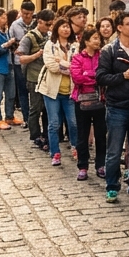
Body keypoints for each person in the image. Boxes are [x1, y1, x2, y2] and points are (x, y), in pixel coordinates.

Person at [97, 11, 129, 201]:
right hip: (117, 107)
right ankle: (112, 186)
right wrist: (123, 76)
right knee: (114, 150)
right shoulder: (109, 50)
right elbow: (100, 77)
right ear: (119, 27)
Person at [36, 17, 79, 166]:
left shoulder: (75, 45)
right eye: (63, 27)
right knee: (54, 123)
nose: (66, 29)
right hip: (52, 91)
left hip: (70, 91)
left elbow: (77, 67)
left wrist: (61, 62)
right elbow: (51, 66)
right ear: (57, 29)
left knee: (73, 123)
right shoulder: (50, 45)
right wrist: (68, 67)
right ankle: (55, 153)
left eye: (68, 27)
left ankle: (75, 147)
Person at [71, 29, 108, 182]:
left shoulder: (103, 57)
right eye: (94, 38)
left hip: (101, 101)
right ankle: (83, 166)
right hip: (82, 101)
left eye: (98, 38)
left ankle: (100, 164)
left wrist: (90, 75)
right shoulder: (78, 58)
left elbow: (105, 76)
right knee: (82, 135)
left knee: (101, 135)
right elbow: (77, 78)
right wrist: (94, 77)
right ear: (86, 41)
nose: (97, 41)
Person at [19, 10, 55, 150]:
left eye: (51, 24)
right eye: (47, 24)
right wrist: (37, 54)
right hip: (34, 77)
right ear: (39, 21)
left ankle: (46, 134)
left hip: (48, 77)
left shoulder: (50, 36)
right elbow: (21, 58)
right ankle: (35, 135)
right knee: (35, 107)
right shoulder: (29, 37)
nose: (49, 27)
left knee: (47, 108)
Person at [10, 2, 36, 124]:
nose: (27, 16)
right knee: (22, 90)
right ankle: (26, 118)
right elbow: (10, 43)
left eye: (30, 14)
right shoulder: (15, 25)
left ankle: (35, 117)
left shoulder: (36, 24)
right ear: (21, 11)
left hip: (35, 62)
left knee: (35, 91)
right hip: (18, 62)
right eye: (25, 13)